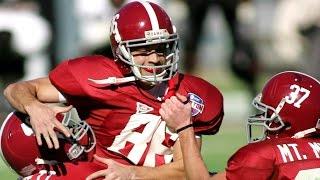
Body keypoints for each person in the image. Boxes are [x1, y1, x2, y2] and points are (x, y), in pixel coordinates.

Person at [2, 1, 224, 179]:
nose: (155, 58)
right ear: (121, 50)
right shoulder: (96, 78)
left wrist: (134, 173)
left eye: (161, 48)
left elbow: (187, 170)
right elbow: (17, 89)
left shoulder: (194, 94)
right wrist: (35, 108)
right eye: (143, 50)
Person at [160, 71, 320, 179]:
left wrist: (184, 127)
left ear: (289, 122)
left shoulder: (264, 155)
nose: (264, 120)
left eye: (269, 115)